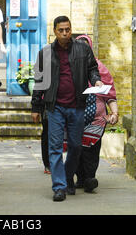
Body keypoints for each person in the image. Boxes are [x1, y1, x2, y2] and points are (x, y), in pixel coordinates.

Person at [31, 16, 103, 202]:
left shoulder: (83, 49)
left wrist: (96, 79)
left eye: (67, 30)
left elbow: (92, 69)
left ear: (71, 29)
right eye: (61, 30)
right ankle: (59, 187)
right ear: (54, 31)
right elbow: (39, 81)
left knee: (75, 146)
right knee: (54, 148)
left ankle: (67, 176)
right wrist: (36, 107)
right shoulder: (45, 53)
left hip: (77, 106)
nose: (65, 33)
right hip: (55, 107)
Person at [75, 34, 118, 193]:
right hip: (75, 116)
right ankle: (80, 178)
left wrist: (114, 112)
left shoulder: (100, 68)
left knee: (92, 148)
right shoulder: (69, 67)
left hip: (97, 119)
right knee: (77, 148)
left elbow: (110, 95)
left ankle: (89, 178)